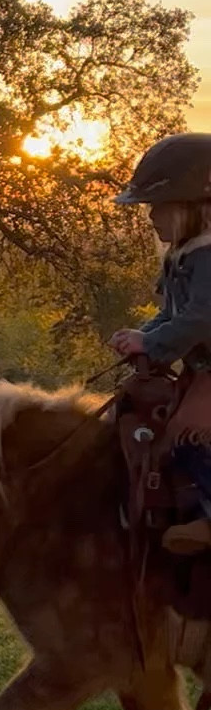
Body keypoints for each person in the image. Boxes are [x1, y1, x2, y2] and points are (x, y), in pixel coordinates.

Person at [111, 132, 211, 556]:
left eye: (161, 205)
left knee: (191, 436)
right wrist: (142, 337)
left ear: (198, 207)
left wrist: (152, 344)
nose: (151, 215)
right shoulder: (185, 255)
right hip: (201, 368)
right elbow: (173, 315)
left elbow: (201, 319)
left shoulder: (208, 257)